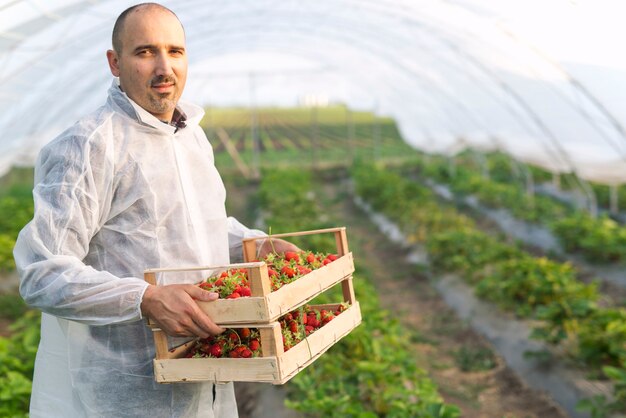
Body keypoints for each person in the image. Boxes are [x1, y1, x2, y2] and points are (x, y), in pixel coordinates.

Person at [13, 3, 298, 417]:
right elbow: (43, 271)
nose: (164, 67)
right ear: (115, 62)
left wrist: (257, 243)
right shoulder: (90, 146)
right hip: (127, 390)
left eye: (175, 51)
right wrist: (145, 299)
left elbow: (199, 225)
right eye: (145, 52)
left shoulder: (190, 137)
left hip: (207, 368)